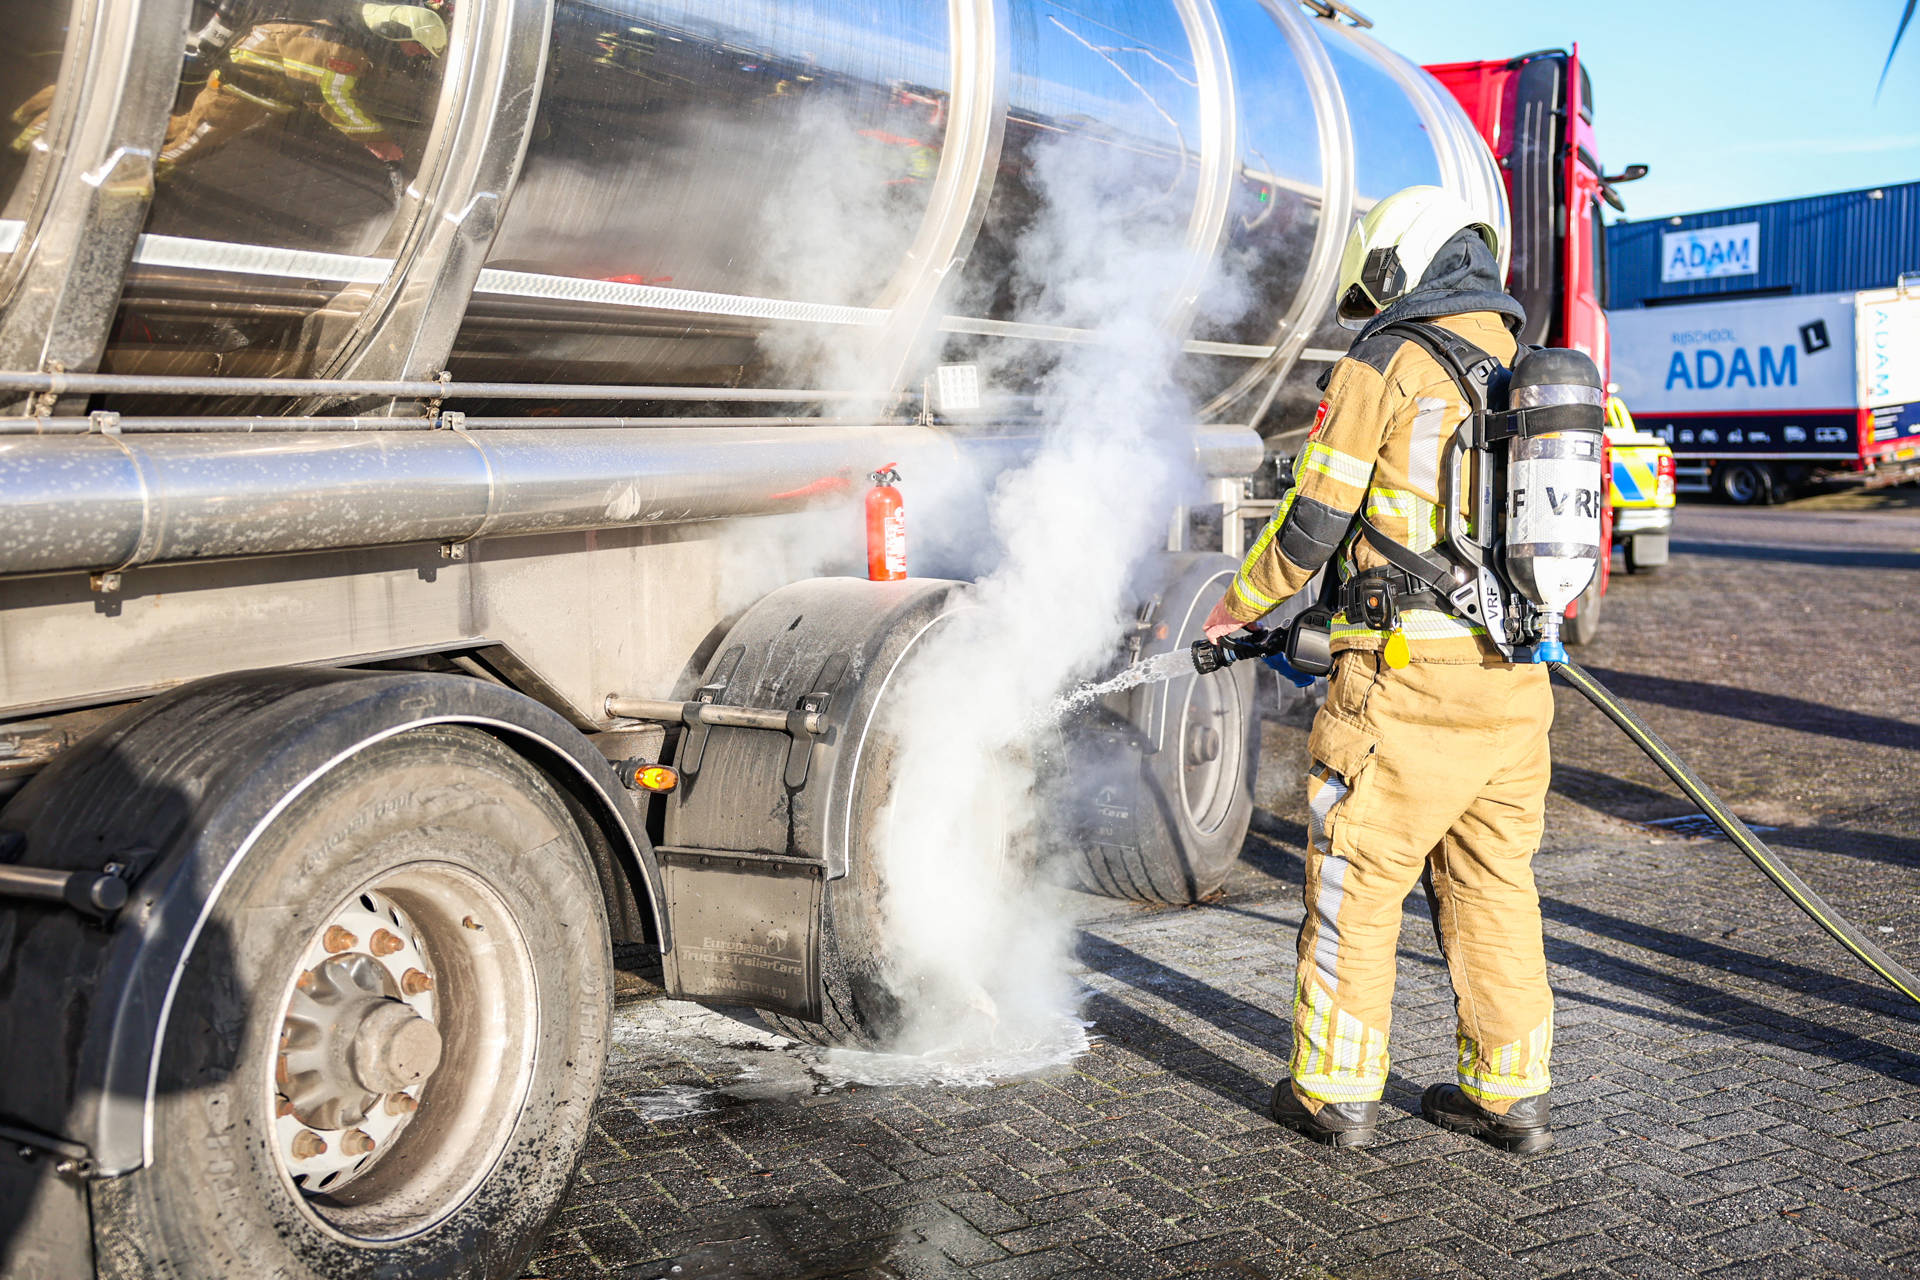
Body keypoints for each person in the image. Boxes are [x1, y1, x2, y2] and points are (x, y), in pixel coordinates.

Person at [1203, 185, 1558, 1155]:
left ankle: (1334, 1091)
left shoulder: (1388, 361)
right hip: (1515, 681)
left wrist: (1239, 601)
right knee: (1494, 884)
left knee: (1353, 880)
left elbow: (1314, 518)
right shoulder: (1520, 371)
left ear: (1398, 263)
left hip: (1404, 684)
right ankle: (1508, 1092)